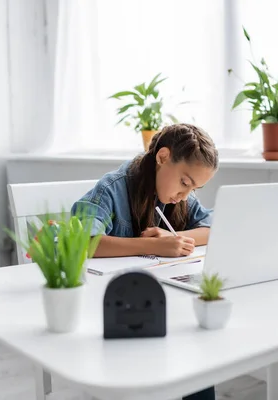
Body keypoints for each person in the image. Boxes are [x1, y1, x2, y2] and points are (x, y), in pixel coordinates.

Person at [72, 123, 219, 400]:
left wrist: (174, 237)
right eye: (185, 183)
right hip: (115, 310)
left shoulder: (179, 198)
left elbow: (213, 228)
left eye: (194, 188)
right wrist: (154, 245)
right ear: (162, 157)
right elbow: (83, 242)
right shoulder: (112, 189)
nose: (185, 195)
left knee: (199, 358)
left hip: (165, 302)